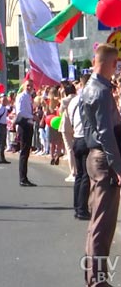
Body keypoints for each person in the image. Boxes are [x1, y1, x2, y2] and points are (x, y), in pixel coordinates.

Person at [80, 43, 121, 286]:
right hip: (105, 160)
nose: (116, 69)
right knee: (102, 227)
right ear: (110, 63)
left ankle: (93, 277)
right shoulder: (102, 91)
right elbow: (106, 133)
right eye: (116, 64)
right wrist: (118, 167)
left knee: (97, 224)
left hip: (96, 158)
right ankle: (98, 280)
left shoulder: (89, 88)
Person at [67, 74, 90, 221]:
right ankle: (82, 209)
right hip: (86, 137)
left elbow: (69, 117)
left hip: (77, 137)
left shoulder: (73, 100)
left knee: (79, 175)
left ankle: (77, 207)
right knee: (86, 175)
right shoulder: (88, 98)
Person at [15, 79, 37, 187]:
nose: (29, 88)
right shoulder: (21, 97)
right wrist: (32, 117)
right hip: (24, 125)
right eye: (28, 86)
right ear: (24, 86)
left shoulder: (29, 97)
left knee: (26, 152)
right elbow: (20, 112)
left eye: (31, 86)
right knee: (24, 152)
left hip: (29, 125)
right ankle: (22, 178)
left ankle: (24, 177)